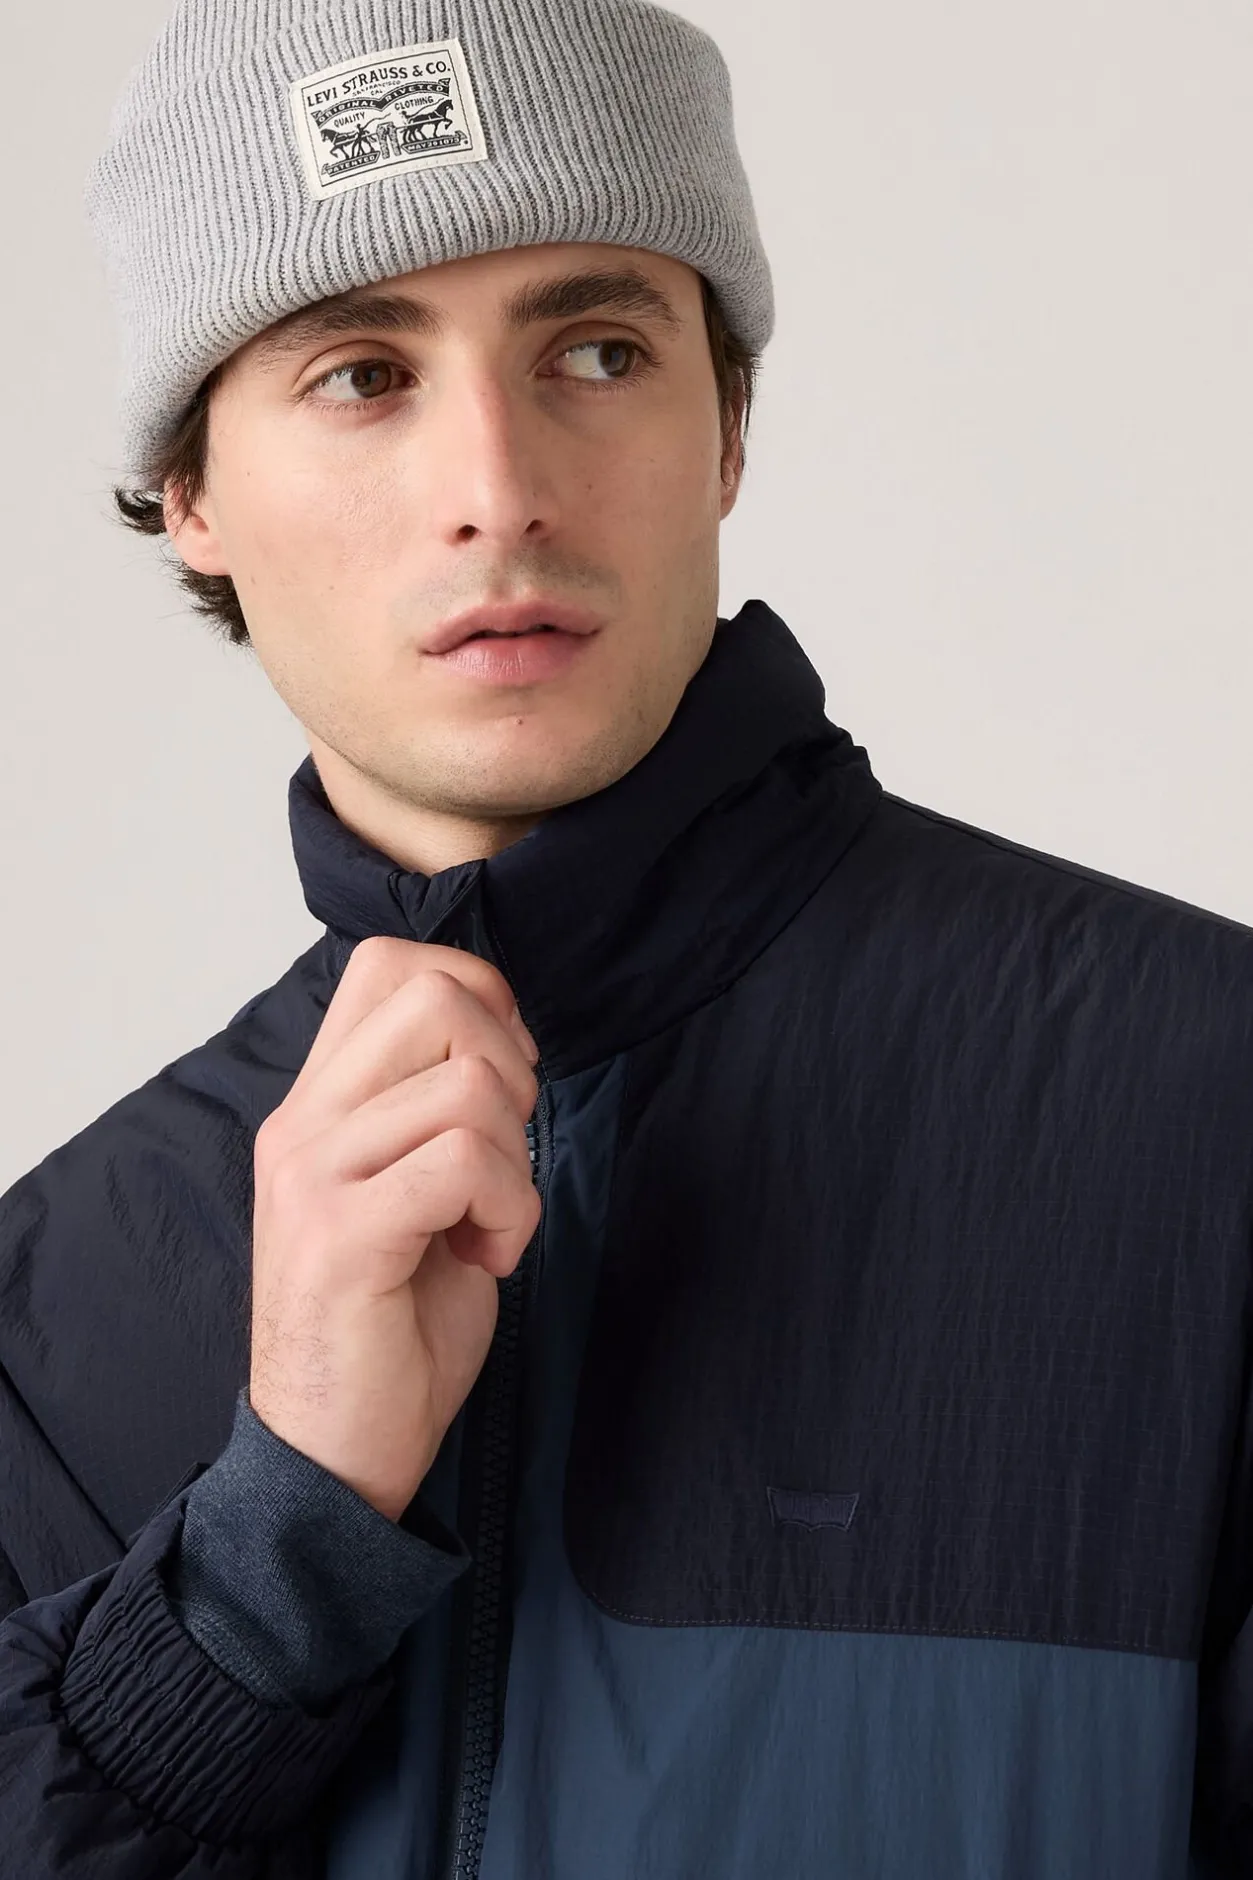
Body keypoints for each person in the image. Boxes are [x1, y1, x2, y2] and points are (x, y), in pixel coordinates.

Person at [2, 0, 1252, 1874]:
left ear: (727, 424)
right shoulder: (47, 1321)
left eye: (595, 350)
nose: (498, 487)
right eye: (361, 373)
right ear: (191, 496)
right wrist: (271, 1560)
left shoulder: (1208, 1111)